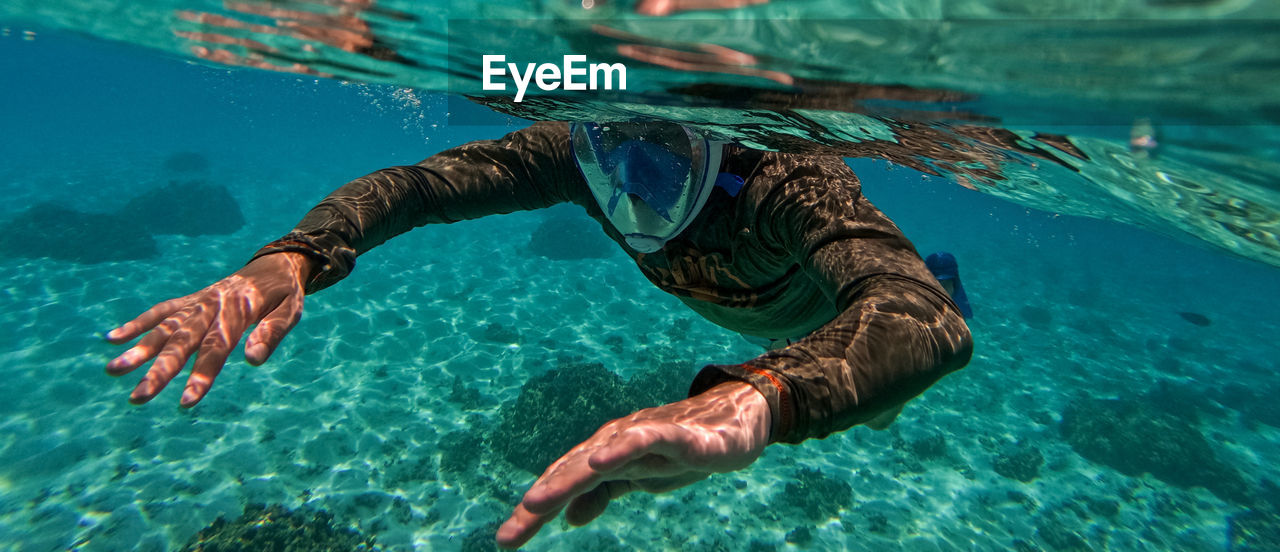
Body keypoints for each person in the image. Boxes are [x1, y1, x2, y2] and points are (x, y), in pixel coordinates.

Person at [105, 120, 973, 547]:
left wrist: (766, 394)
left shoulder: (788, 179)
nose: (630, 195)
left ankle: (950, 268)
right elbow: (422, 185)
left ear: (720, 144)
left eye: (662, 162)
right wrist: (294, 255)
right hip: (758, 316)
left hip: (817, 316)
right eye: (608, 156)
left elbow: (915, 316)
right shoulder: (571, 153)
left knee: (894, 390)